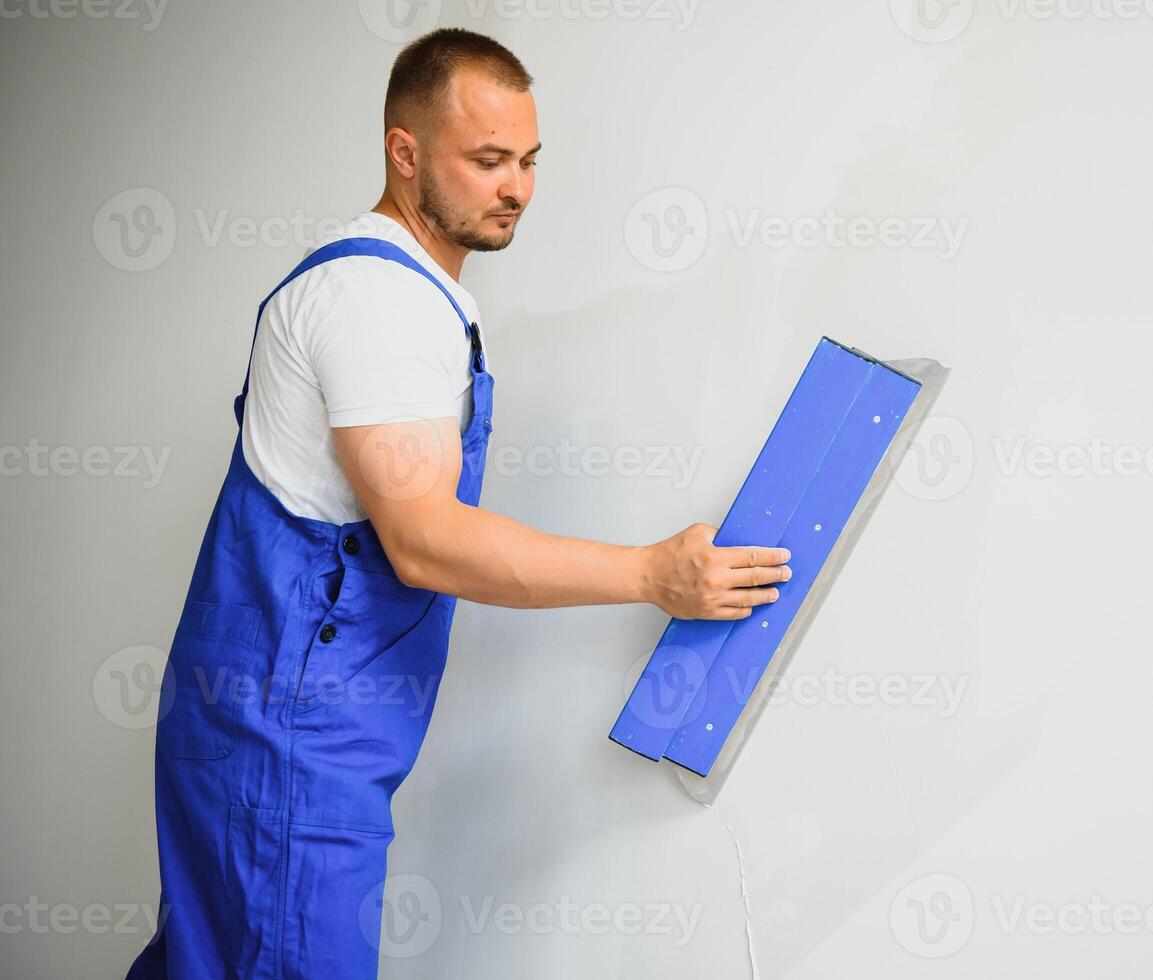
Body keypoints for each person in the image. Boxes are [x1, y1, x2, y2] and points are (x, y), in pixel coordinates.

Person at [126, 27, 790, 979]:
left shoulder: (409, 293)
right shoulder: (377, 303)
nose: (515, 186)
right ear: (405, 154)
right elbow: (426, 543)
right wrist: (650, 574)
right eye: (486, 161)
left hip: (279, 725)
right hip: (287, 738)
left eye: (526, 160)